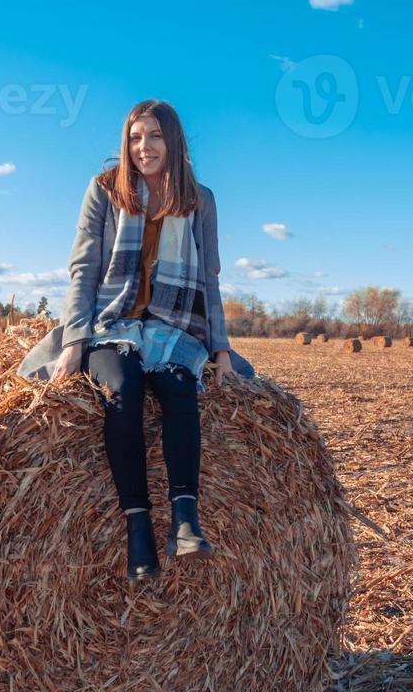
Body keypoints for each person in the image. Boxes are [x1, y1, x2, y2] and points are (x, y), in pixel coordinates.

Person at [17, 100, 253, 583]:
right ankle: (138, 526)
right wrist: (73, 341)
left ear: (174, 141)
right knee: (121, 392)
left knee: (178, 386)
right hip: (112, 320)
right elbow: (83, 270)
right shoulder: (105, 190)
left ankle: (185, 519)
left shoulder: (199, 200)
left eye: (155, 136)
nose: (144, 147)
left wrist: (222, 352)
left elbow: (209, 278)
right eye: (136, 138)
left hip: (172, 322)